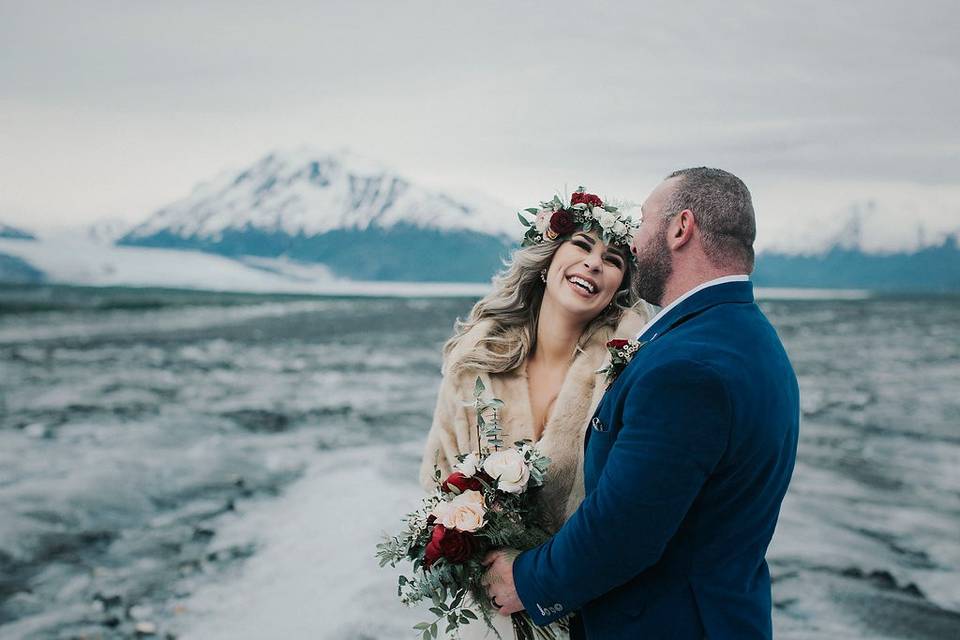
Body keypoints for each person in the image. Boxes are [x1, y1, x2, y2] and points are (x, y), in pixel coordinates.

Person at [484, 168, 801, 639]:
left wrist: (526, 582)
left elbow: (625, 530)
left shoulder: (688, 366)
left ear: (680, 228)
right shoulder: (746, 336)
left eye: (645, 221)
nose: (634, 239)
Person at [419, 188, 651, 639]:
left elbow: (627, 504)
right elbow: (437, 477)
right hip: (487, 606)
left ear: (616, 292)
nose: (593, 263)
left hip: (589, 604)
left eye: (613, 261)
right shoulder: (476, 363)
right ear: (547, 262)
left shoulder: (624, 374)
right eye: (582, 246)